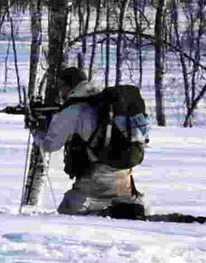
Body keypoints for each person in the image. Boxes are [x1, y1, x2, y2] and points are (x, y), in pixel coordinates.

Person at [30, 65, 147, 217]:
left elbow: (50, 145)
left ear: (69, 87)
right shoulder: (101, 101)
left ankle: (101, 215)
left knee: (69, 214)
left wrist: (36, 131)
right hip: (122, 171)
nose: (60, 92)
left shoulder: (73, 111)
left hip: (97, 174)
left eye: (62, 87)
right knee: (127, 210)